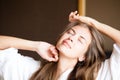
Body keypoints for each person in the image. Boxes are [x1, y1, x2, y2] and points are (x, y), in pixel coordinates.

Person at [0, 11, 120, 80]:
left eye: (80, 40)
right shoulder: (33, 71)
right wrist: (35, 45)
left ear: (84, 56)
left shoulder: (97, 76)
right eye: (70, 32)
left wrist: (93, 23)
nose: (71, 38)